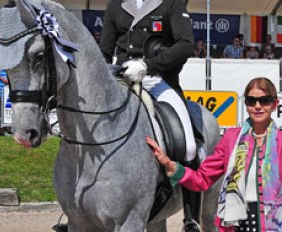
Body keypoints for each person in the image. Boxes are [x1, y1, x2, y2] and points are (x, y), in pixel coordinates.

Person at [99, 0, 199, 230]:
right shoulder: (116, 5)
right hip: (121, 79)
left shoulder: (171, 4)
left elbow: (185, 45)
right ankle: (76, 210)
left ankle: (190, 214)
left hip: (157, 79)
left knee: (190, 146)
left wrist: (149, 65)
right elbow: (104, 51)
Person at [147, 77, 282, 231]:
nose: (258, 106)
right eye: (252, 101)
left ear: (274, 104)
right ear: (246, 104)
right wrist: (170, 164)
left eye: (264, 101)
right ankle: (191, 219)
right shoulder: (231, 138)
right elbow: (202, 179)